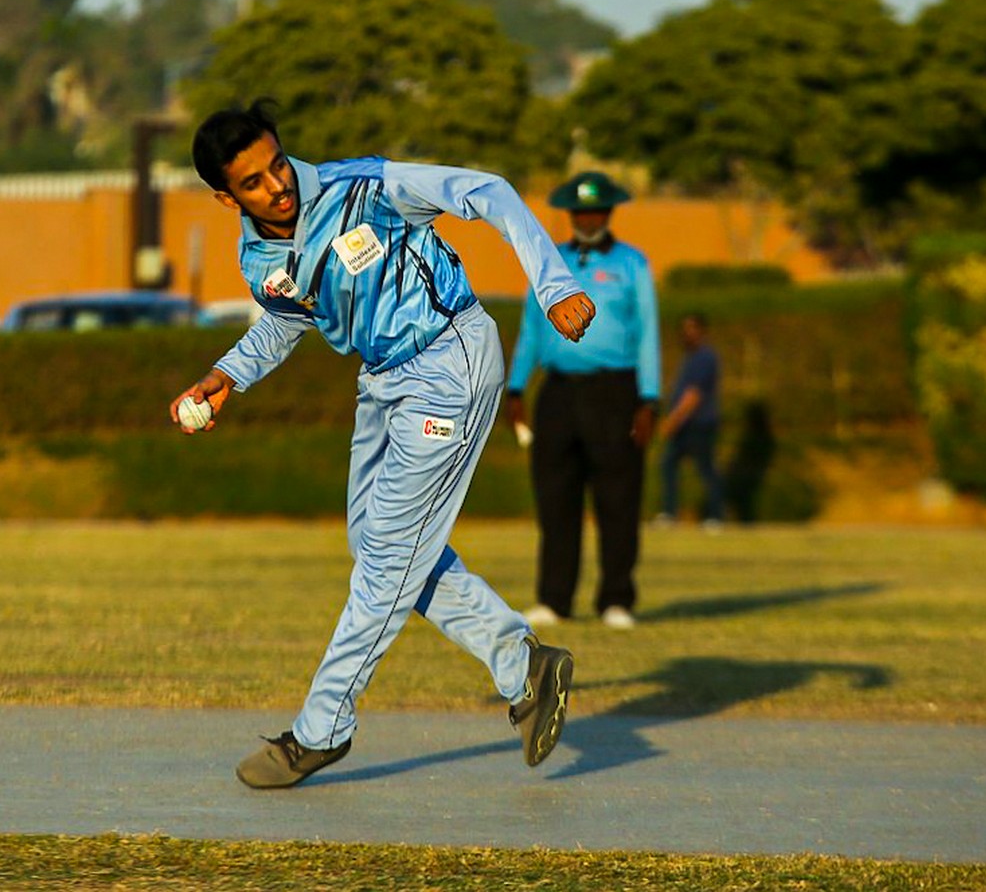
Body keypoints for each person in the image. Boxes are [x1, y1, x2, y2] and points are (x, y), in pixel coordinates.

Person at [169, 100, 594, 790]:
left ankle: (319, 730)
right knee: (375, 546)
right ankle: (525, 666)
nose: (277, 185)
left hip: (449, 361)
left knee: (387, 563)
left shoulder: (366, 185)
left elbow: (489, 191)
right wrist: (225, 377)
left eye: (277, 164)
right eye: (253, 182)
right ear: (226, 197)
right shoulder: (258, 257)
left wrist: (554, 287)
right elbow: (284, 321)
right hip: (383, 379)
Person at [504, 171, 660, 631]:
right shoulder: (549, 261)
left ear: (608, 213)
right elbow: (532, 329)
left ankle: (616, 598)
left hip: (614, 391)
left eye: (596, 211)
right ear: (570, 215)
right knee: (555, 497)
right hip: (558, 391)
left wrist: (650, 399)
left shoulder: (632, 263)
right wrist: (516, 387)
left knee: (618, 497)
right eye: (580, 212)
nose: (588, 219)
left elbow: (648, 333)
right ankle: (554, 599)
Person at [656, 312, 725, 530]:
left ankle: (715, 515)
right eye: (684, 329)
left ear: (702, 331)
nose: (687, 334)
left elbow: (693, 395)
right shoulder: (690, 358)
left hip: (699, 423)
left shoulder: (705, 358)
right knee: (668, 464)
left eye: (692, 328)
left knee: (705, 468)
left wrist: (673, 420)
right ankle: (670, 512)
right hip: (685, 426)